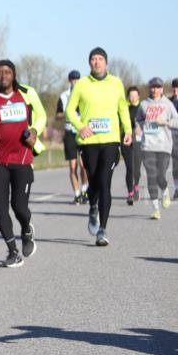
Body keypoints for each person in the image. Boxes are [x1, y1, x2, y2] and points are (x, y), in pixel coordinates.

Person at [0, 59, 46, 267]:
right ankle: (13, 252)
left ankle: (26, 229)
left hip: (22, 158)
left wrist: (35, 131)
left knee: (19, 207)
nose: (3, 76)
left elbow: (41, 115)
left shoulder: (27, 93)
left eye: (7, 72)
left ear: (13, 74)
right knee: (1, 208)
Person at [65, 47, 131, 247]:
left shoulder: (116, 83)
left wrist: (127, 130)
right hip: (89, 142)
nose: (96, 62)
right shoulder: (82, 84)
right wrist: (80, 126)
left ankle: (102, 229)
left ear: (106, 63)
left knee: (104, 182)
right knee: (93, 180)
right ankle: (92, 206)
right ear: (89, 63)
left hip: (111, 141)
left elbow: (122, 108)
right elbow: (69, 110)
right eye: (93, 59)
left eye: (100, 59)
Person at [137, 77, 178, 219]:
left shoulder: (168, 104)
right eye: (152, 87)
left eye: (158, 87)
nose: (155, 90)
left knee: (160, 176)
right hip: (147, 146)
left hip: (164, 146)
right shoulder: (143, 104)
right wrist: (137, 127)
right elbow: (138, 120)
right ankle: (155, 209)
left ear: (162, 89)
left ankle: (164, 191)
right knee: (151, 176)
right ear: (149, 88)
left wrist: (166, 121)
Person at [56, 70, 89, 204]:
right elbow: (57, 115)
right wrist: (68, 113)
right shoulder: (64, 96)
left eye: (77, 79)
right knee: (73, 166)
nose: (75, 82)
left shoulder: (85, 93)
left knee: (83, 165)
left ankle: (85, 189)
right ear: (69, 81)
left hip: (82, 132)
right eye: (72, 79)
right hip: (69, 132)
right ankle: (76, 194)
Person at [121, 86, 144, 205]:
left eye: (135, 95)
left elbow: (149, 122)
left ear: (138, 96)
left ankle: (136, 187)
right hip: (125, 139)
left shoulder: (143, 107)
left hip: (139, 140)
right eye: (130, 95)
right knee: (129, 167)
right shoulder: (124, 107)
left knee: (137, 168)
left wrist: (142, 127)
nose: (132, 98)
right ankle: (130, 193)